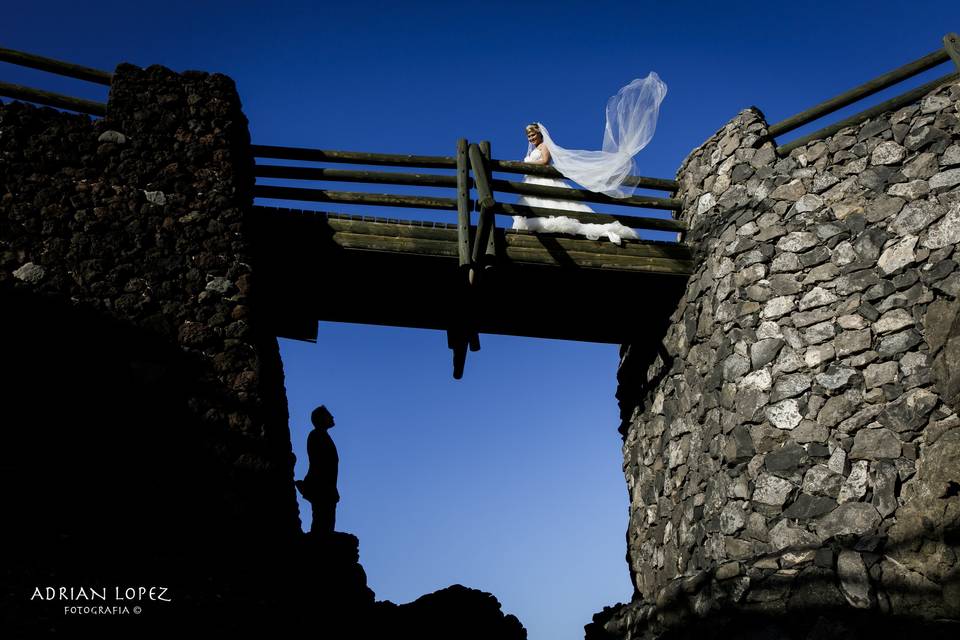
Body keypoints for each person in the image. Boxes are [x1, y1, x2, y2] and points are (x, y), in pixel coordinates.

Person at [511, 73, 668, 245]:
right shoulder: (535, 147)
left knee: (556, 204)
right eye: (529, 136)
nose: (531, 138)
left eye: (533, 135)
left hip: (543, 180)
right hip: (533, 182)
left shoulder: (545, 146)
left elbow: (544, 162)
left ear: (539, 133)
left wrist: (525, 164)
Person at [295, 405, 339, 534]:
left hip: (326, 488)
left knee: (326, 524)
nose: (332, 417)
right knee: (322, 525)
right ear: (321, 418)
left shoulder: (321, 435)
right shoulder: (317, 435)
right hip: (322, 488)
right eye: (328, 414)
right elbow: (319, 463)